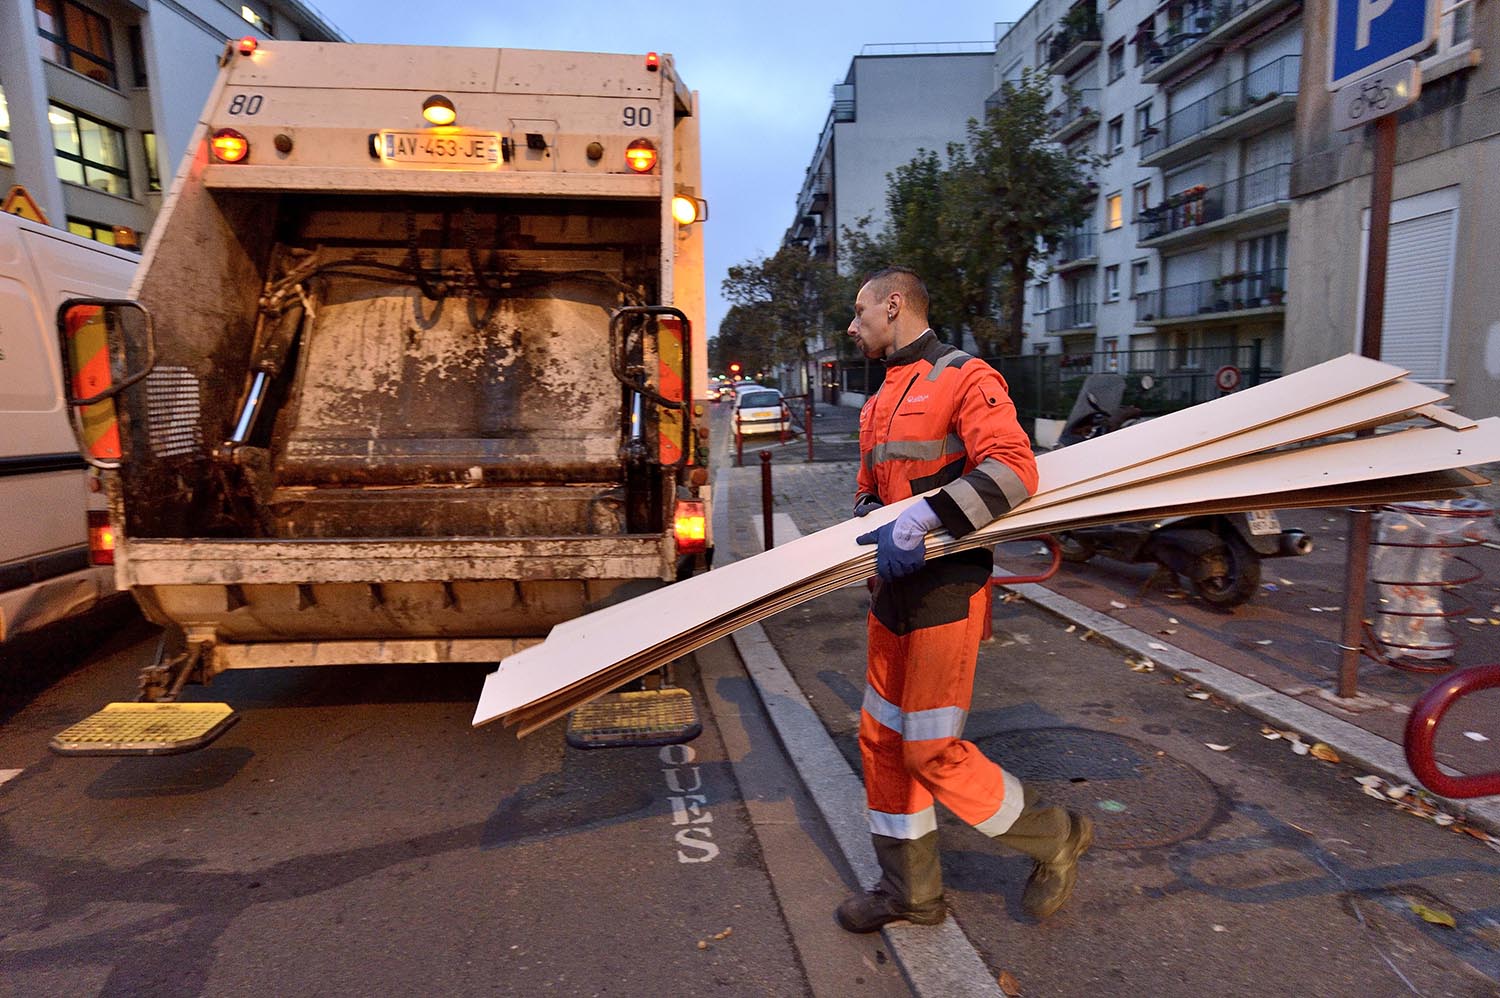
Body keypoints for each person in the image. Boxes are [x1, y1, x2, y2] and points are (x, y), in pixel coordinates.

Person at [838, 266, 1093, 933]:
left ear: (894, 305)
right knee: (881, 741)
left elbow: (1013, 471)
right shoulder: (876, 401)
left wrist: (919, 522)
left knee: (930, 751)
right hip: (892, 591)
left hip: (947, 590)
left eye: (860, 311)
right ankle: (911, 893)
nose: (852, 325)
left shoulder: (966, 376)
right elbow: (867, 491)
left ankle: (1057, 835)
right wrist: (873, 520)